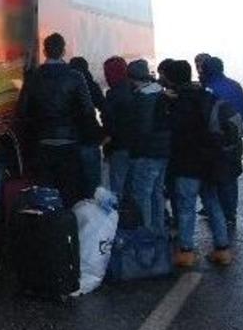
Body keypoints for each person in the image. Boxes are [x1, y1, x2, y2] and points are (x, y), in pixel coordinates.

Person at [19, 32, 99, 206]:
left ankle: (48, 229)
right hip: (69, 142)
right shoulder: (75, 76)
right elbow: (87, 111)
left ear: (44, 51)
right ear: (63, 51)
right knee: (70, 192)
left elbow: (23, 111)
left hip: (42, 142)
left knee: (46, 194)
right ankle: (68, 229)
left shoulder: (33, 77)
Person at [166, 60, 232, 266]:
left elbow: (174, 133)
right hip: (209, 161)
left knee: (186, 207)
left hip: (186, 163)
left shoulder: (176, 102)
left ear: (173, 78)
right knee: (213, 203)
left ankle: (186, 252)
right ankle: (222, 249)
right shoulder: (206, 95)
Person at [199, 56, 243, 229]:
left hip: (214, 140)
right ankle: (230, 214)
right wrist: (235, 126)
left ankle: (217, 214)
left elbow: (202, 117)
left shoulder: (207, 89)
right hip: (235, 140)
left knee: (214, 178)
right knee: (231, 176)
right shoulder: (234, 85)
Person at [124, 59, 171, 235]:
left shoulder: (143, 98)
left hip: (146, 153)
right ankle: (159, 231)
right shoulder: (161, 93)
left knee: (143, 193)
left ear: (132, 78)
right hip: (163, 152)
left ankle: (147, 232)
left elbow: (142, 129)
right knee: (157, 192)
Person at [69, 56, 104, 199]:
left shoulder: (67, 84)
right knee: (93, 183)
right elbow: (104, 108)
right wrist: (104, 133)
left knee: (74, 180)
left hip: (71, 139)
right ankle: (92, 213)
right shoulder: (92, 85)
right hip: (90, 139)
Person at [102, 56, 133, 199]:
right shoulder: (135, 89)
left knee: (117, 187)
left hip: (119, 146)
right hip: (137, 146)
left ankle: (119, 218)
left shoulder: (113, 94)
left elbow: (109, 121)